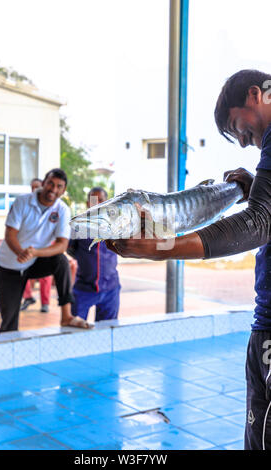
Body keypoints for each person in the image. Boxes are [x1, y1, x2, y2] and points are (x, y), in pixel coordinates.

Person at [106, 70, 271, 450]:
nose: (242, 141)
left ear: (254, 95)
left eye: (236, 126)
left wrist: (164, 247)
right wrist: (256, 188)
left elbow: (262, 221)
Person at [0, 168, 91, 332]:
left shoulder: (62, 210)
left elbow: (62, 245)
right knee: (9, 321)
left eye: (59, 186)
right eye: (50, 184)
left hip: (33, 263)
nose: (53, 189)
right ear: (44, 183)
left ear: (63, 190)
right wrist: (22, 253)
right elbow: (10, 235)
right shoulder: (23, 202)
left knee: (61, 262)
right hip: (8, 268)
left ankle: (66, 316)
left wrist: (35, 253)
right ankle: (7, 354)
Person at [68, 187, 120, 322]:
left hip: (110, 289)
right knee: (75, 330)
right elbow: (70, 248)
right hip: (83, 289)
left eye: (101, 200)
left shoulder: (115, 225)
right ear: (87, 204)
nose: (97, 204)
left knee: (107, 332)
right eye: (93, 201)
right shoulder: (78, 225)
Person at [20, 178, 52, 313]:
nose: (35, 189)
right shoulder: (26, 205)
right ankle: (28, 297)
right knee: (21, 271)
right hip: (28, 246)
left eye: (38, 187)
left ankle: (45, 303)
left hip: (45, 247)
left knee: (45, 275)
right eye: (33, 187)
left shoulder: (51, 205)